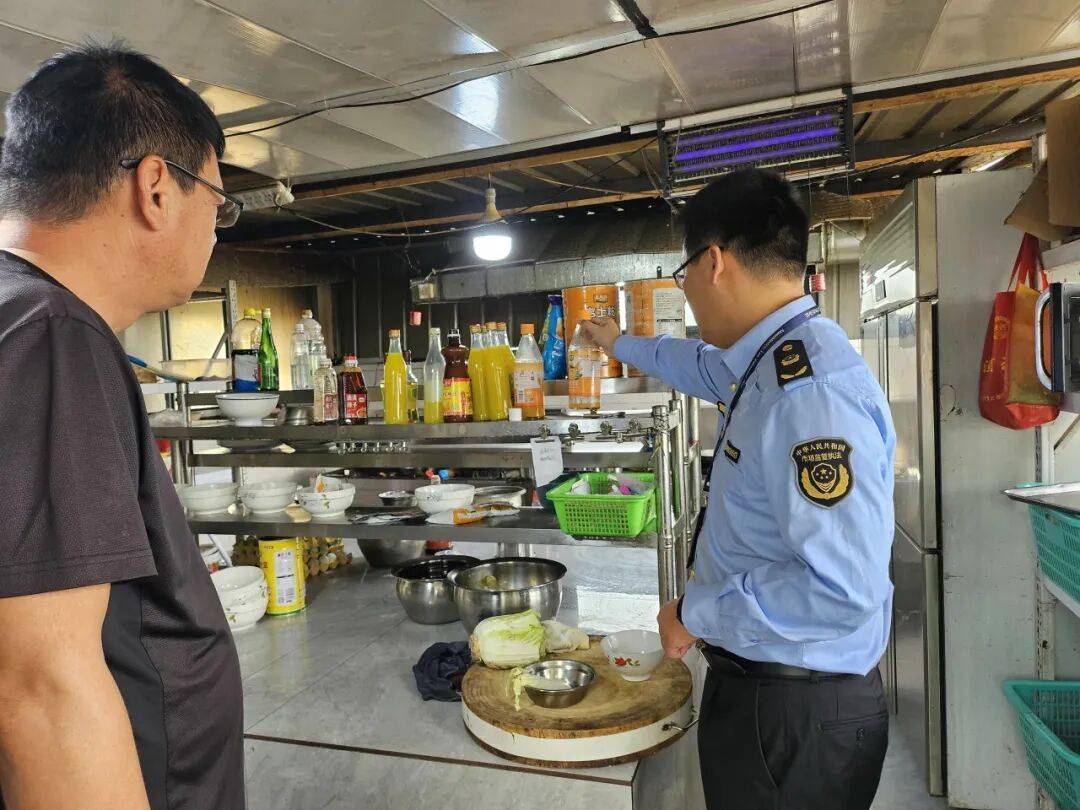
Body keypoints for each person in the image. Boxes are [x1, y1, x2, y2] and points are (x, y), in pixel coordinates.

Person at [579, 168, 894, 810]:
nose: (689, 293)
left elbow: (841, 589)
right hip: (779, 695)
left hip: (791, 713)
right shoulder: (773, 354)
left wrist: (696, 614)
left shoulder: (808, 395)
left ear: (714, 262)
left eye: (683, 274)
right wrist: (620, 343)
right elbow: (694, 364)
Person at [0, 46, 246, 809]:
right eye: (218, 203)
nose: (216, 230)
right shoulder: (50, 333)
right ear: (157, 188)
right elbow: (44, 687)